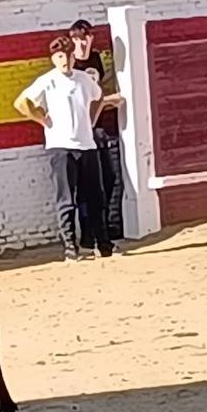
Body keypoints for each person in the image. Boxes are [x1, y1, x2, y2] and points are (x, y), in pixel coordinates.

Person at [13, 36, 115, 261]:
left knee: (96, 197)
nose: (65, 61)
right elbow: (21, 103)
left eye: (68, 56)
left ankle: (103, 243)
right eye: (60, 57)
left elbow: (99, 98)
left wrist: (91, 118)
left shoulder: (84, 79)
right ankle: (70, 247)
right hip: (61, 146)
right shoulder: (47, 81)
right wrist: (41, 119)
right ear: (53, 59)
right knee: (66, 199)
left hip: (87, 145)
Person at [68, 18, 124, 249]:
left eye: (86, 36)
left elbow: (98, 88)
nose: (82, 41)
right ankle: (88, 231)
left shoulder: (96, 59)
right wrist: (105, 102)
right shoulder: (70, 65)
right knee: (85, 184)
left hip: (97, 126)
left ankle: (98, 224)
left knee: (108, 178)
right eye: (78, 38)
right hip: (80, 128)